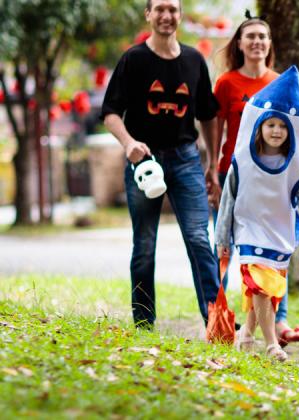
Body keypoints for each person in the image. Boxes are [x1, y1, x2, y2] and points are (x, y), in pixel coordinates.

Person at [101, 0, 219, 328]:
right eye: (160, 9)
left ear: (180, 15)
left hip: (186, 158)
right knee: (144, 244)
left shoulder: (194, 60)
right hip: (145, 162)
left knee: (199, 238)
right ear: (148, 14)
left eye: (173, 9)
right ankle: (144, 322)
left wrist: (212, 163)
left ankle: (215, 319)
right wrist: (129, 143)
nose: (167, 16)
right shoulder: (133, 59)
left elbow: (208, 114)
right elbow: (110, 112)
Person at [214, 66, 299, 361]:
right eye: (271, 124)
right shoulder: (243, 161)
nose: (276, 130)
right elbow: (228, 200)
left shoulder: (295, 166)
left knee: (266, 290)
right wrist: (223, 237)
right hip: (249, 231)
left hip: (279, 234)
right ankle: (271, 344)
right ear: (259, 126)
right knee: (261, 287)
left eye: (282, 126)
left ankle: (246, 335)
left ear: (291, 131)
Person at [212, 14, 299, 347]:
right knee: (228, 247)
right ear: (239, 43)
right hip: (234, 174)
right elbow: (215, 129)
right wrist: (212, 170)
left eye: (262, 36)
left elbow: (295, 132)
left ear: (269, 43)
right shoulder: (226, 83)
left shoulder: (279, 82)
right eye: (250, 36)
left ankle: (278, 321)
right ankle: (222, 318)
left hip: (275, 179)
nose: (256, 42)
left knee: (277, 248)